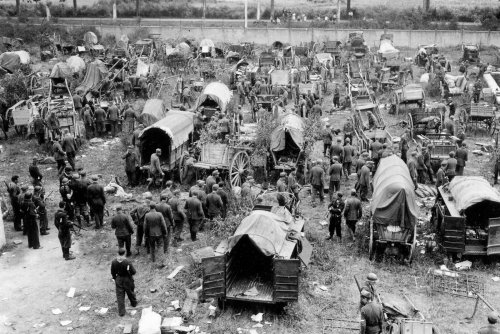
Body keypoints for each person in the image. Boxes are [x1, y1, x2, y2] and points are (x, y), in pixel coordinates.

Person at [111, 248, 138, 316]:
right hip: (127, 279)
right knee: (130, 292)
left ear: (118, 253)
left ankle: (121, 312)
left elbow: (112, 272)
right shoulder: (127, 262)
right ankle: (134, 304)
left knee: (120, 296)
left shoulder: (114, 261)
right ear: (124, 253)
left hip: (119, 279)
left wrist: (115, 278)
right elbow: (133, 271)